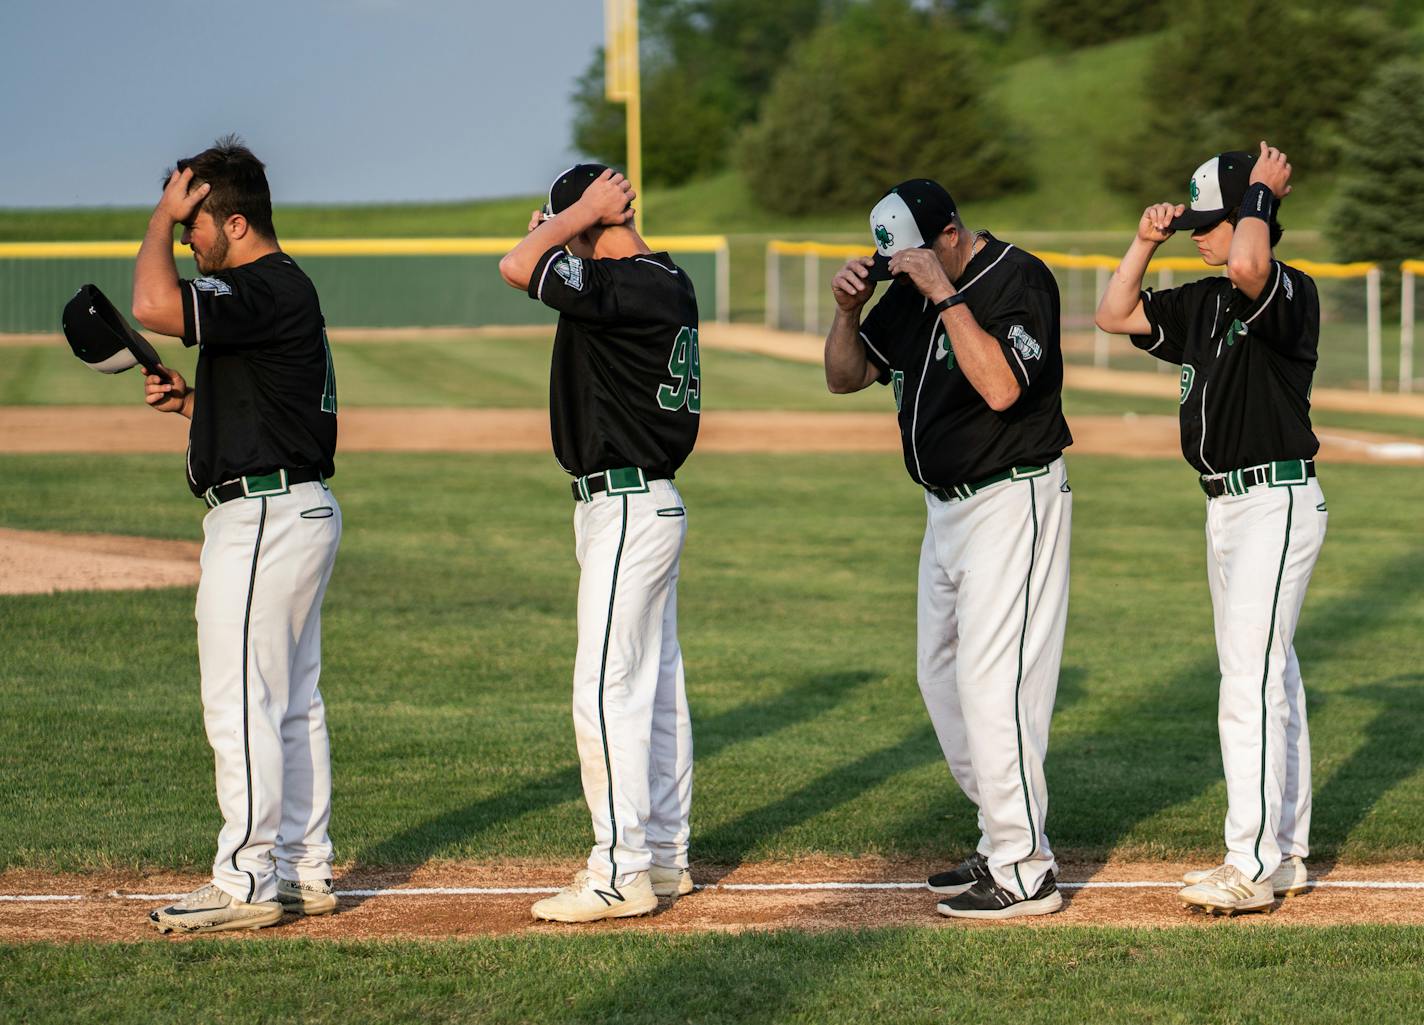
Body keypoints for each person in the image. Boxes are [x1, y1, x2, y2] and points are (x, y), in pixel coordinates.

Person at [825, 178, 1073, 919]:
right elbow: (843, 377)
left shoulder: (1018, 280)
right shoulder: (909, 289)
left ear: (950, 235)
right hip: (945, 513)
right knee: (940, 676)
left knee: (993, 683)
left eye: (909, 256)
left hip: (1012, 498)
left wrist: (943, 295)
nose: (898, 269)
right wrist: (847, 312)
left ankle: (1025, 869)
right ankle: (1001, 832)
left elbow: (1001, 387)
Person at [1095, 142, 1326, 914]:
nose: (1197, 232)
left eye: (1209, 221)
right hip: (1224, 508)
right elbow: (1114, 312)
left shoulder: (1284, 290)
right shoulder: (1202, 302)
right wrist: (1143, 243)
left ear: (1248, 219)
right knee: (1273, 676)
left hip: (1275, 502)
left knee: (1247, 682)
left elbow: (1254, 267)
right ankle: (1285, 852)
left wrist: (1259, 195)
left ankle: (1249, 865)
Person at [132, 137, 343, 933]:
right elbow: (274, 408)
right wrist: (197, 406)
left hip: (263, 519)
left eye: (194, 226)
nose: (188, 240)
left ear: (238, 223)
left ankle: (248, 877)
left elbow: (154, 306)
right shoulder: (280, 290)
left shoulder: (259, 285)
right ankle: (301, 869)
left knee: (241, 697)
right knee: (290, 702)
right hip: (292, 505)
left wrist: (157, 216)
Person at [498, 165, 700, 923]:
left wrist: (573, 214)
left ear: (593, 218)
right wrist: (567, 222)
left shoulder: (627, 282)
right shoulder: (663, 279)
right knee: (656, 688)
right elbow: (540, 261)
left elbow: (518, 265)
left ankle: (620, 871)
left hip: (625, 506)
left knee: (607, 689)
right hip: (642, 503)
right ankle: (667, 857)